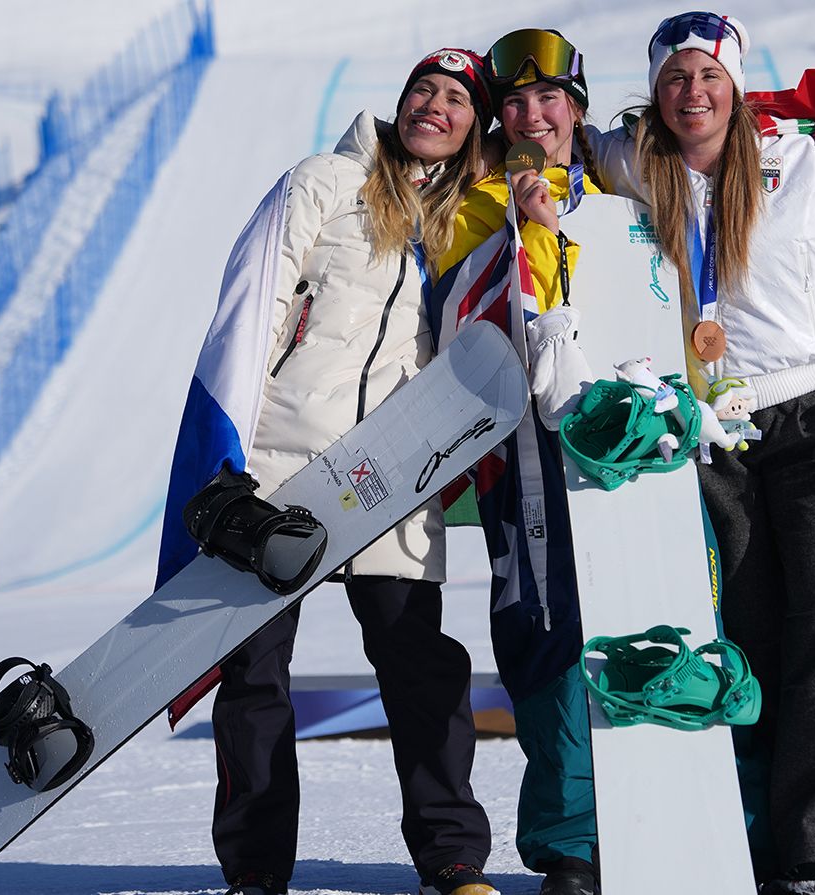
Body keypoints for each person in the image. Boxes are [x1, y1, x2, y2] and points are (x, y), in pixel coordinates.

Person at [155, 49, 503, 895]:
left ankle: (452, 858)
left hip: (392, 474)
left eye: (456, 98)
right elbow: (253, 304)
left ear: (472, 129)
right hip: (283, 464)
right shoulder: (326, 181)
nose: (435, 105)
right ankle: (257, 871)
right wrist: (225, 463)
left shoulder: (469, 224)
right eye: (424, 89)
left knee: (421, 667)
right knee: (255, 675)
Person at [593, 12, 815, 895]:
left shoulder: (803, 156)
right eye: (673, 80)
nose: (691, 93)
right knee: (746, 632)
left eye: (708, 76)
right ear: (654, 96)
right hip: (715, 433)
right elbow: (557, 139)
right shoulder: (634, 166)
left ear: (737, 85)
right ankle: (753, 844)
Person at [428, 27, 607, 895]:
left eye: (551, 99)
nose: (535, 116)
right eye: (516, 102)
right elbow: (469, 306)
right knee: (548, 626)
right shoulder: (475, 203)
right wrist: (527, 226)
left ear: (576, 105)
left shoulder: (622, 186)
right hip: (529, 452)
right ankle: (572, 841)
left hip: (634, 441)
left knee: (662, 612)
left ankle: (674, 810)